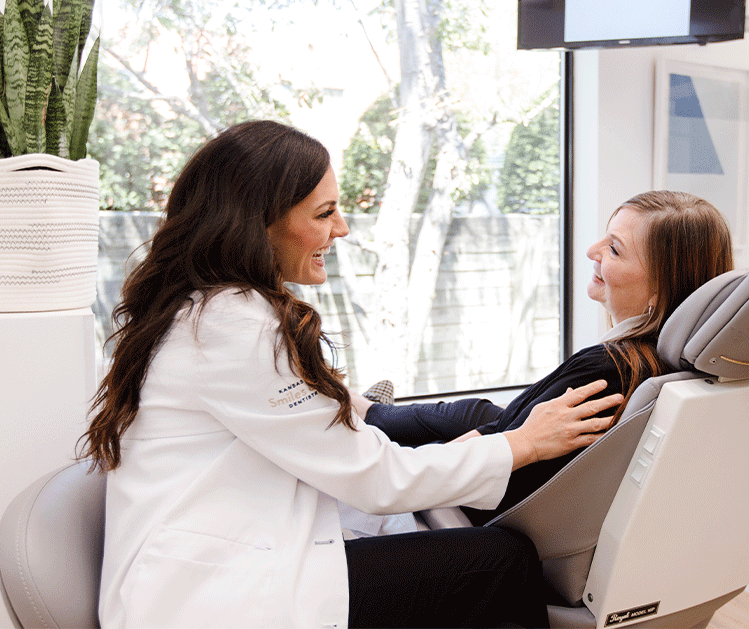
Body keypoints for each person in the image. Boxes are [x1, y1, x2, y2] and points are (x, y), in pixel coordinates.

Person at [78, 120, 622, 629]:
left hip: (233, 557)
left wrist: (466, 446)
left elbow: (337, 444)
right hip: (212, 598)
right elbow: (374, 478)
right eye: (323, 213)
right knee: (501, 560)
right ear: (258, 224)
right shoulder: (234, 327)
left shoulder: (213, 310)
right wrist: (524, 444)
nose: (340, 227)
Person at [355, 190, 733, 524]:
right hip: (514, 456)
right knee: (476, 411)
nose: (592, 251)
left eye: (614, 249)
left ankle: (361, 417)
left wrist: (411, 466)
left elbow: (500, 460)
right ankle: (368, 410)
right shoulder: (672, 362)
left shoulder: (607, 371)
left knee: (474, 422)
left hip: (490, 499)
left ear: (661, 290)